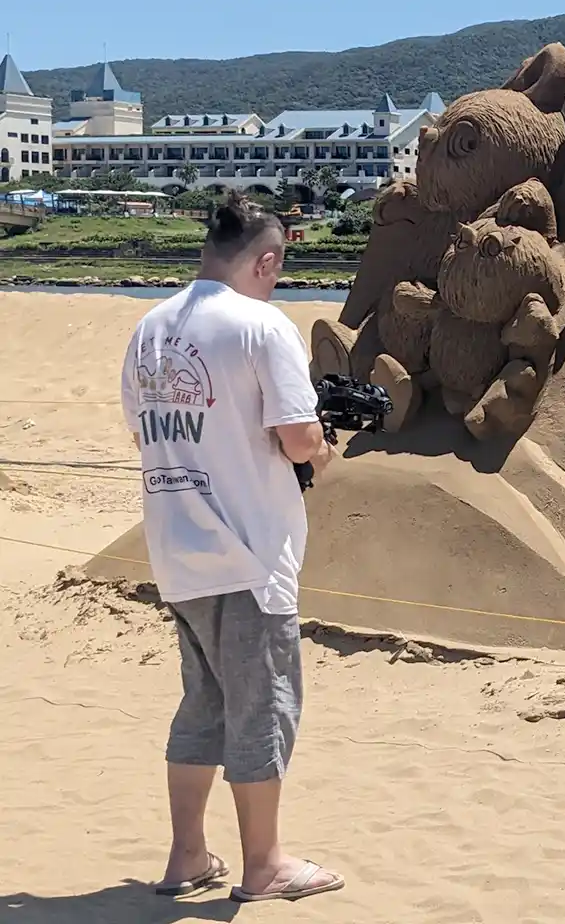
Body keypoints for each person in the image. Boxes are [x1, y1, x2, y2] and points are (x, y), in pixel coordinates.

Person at [120, 191, 344, 903]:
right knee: (262, 710)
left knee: (204, 707)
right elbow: (300, 441)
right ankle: (265, 865)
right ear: (267, 258)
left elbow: (143, 435)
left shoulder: (149, 329)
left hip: (174, 550)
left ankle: (188, 855)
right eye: (277, 267)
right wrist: (329, 448)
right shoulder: (261, 325)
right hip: (248, 554)